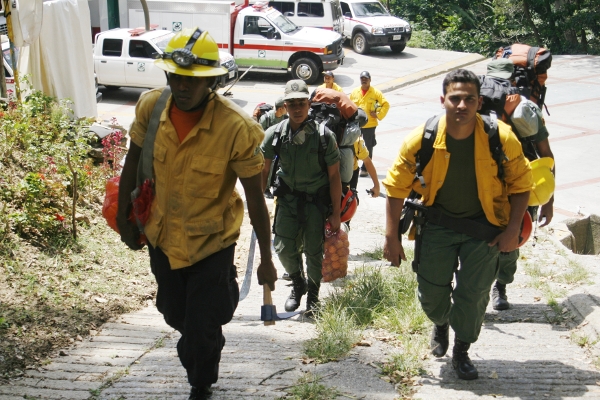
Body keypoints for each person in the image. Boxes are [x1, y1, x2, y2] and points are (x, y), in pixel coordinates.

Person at [116, 28, 277, 400]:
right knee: (174, 313)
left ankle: (201, 383)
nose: (182, 86)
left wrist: (266, 260)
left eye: (193, 79)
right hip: (162, 237)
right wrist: (126, 219)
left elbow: (255, 198)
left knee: (202, 324)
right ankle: (203, 328)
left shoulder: (236, 128)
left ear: (212, 82)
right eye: (175, 76)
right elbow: (133, 161)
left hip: (211, 242)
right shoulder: (150, 107)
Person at [382, 69, 532, 380]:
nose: (461, 105)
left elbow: (522, 184)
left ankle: (462, 349)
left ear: (479, 103)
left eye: (469, 99)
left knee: (474, 295)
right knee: (432, 296)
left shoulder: (500, 137)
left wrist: (512, 231)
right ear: (443, 100)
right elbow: (396, 187)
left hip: (484, 230)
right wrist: (391, 237)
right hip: (437, 225)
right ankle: (441, 324)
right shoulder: (421, 138)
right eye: (455, 98)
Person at [260, 79, 341, 316]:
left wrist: (336, 213)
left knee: (314, 252)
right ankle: (298, 283)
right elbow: (263, 171)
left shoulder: (324, 136)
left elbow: (335, 176)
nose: (297, 108)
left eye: (302, 103)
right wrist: (256, 204)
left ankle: (313, 297)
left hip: (316, 202)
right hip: (287, 200)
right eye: (292, 103)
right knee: (283, 247)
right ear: (285, 106)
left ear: (309, 104)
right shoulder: (274, 135)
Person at [484, 59, 556, 311]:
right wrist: (548, 200)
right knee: (509, 239)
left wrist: (548, 200)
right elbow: (547, 157)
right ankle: (494, 287)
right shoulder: (522, 108)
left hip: (511, 186)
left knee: (506, 239)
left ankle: (497, 286)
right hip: (509, 186)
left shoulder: (519, 110)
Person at [350, 71, 389, 177]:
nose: (364, 80)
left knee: (368, 146)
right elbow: (349, 106)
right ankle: (353, 166)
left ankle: (365, 168)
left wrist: (378, 115)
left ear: (370, 80)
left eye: (366, 79)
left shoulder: (376, 93)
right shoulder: (355, 92)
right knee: (353, 145)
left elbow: (386, 104)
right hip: (356, 124)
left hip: (370, 125)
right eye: (362, 78)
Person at [259, 97, 288, 199]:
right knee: (268, 167)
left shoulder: (285, 118)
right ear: (280, 109)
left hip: (278, 148)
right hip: (266, 148)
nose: (287, 109)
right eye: (285, 107)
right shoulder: (265, 118)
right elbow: (258, 136)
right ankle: (265, 189)